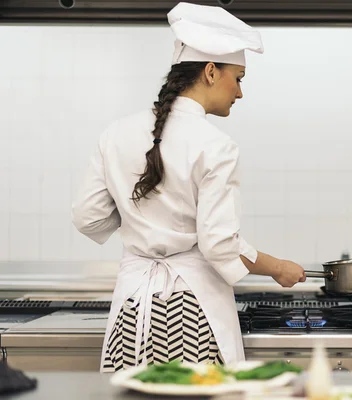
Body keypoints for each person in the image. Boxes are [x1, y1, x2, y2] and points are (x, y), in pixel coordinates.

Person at [71, 2, 306, 373]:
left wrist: (142, 220)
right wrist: (277, 267)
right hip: (190, 313)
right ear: (211, 72)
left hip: (132, 311)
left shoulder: (114, 134)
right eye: (239, 78)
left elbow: (88, 219)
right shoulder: (215, 146)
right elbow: (218, 245)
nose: (240, 93)